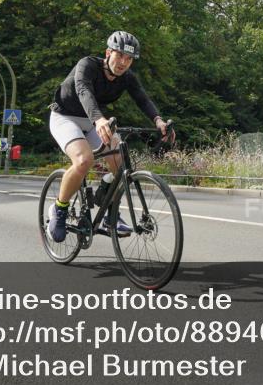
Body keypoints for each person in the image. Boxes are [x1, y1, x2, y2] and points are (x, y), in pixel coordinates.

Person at [46, 31, 171, 243]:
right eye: (119, 55)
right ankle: (59, 209)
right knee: (84, 160)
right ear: (108, 53)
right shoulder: (87, 65)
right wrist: (99, 119)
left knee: (120, 161)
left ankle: (109, 210)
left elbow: (142, 99)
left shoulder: (127, 78)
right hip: (65, 117)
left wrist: (158, 121)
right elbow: (83, 91)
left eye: (129, 59)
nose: (123, 62)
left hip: (95, 121)